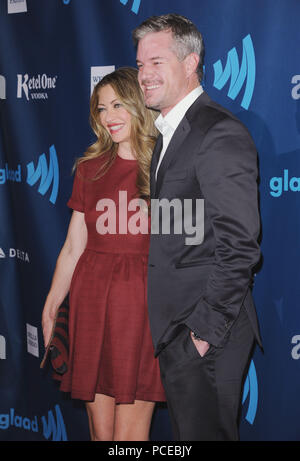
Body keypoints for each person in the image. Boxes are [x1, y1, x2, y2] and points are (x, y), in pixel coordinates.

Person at [133, 14, 262, 441]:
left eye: (156, 62)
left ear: (191, 64)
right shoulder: (169, 133)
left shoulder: (218, 132)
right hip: (178, 331)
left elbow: (240, 246)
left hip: (208, 333)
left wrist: (201, 336)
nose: (144, 75)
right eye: (140, 65)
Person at [42, 67, 165, 441]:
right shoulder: (89, 169)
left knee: (129, 436)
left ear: (139, 104)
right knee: (101, 432)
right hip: (91, 305)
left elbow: (186, 248)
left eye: (117, 105)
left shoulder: (165, 168)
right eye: (100, 108)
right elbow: (73, 246)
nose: (108, 117)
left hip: (141, 309)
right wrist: (51, 307)